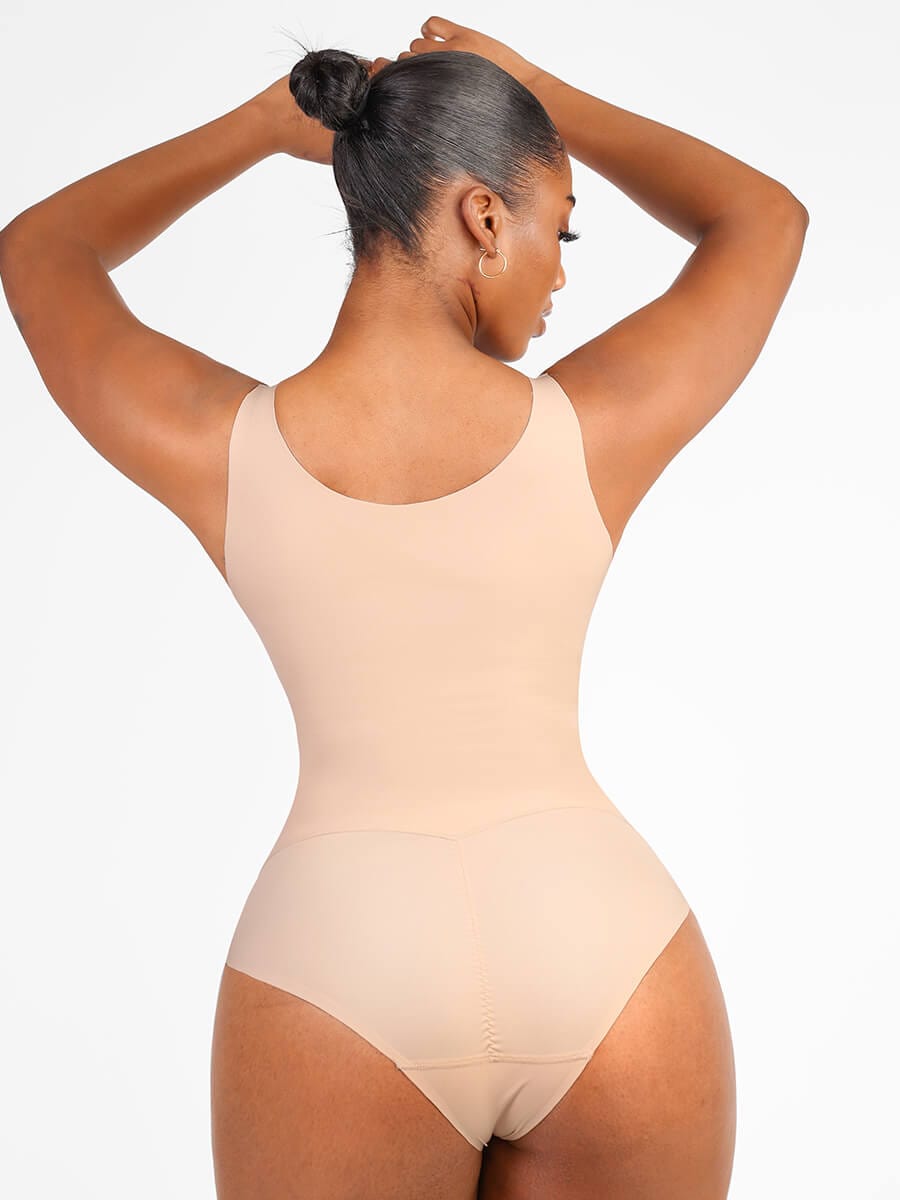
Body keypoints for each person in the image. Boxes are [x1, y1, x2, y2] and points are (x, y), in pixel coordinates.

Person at [0, 15, 808, 1199]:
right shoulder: (594, 429)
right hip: (603, 945)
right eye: (559, 228)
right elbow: (764, 219)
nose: (562, 273)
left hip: (337, 963)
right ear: (483, 217)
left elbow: (39, 250)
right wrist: (539, 90)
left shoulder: (221, 448)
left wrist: (254, 129)